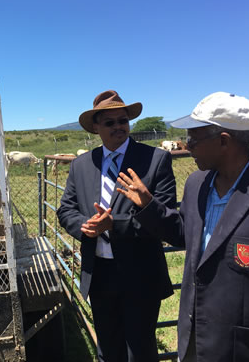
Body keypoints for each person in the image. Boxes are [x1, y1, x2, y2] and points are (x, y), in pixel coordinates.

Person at [117, 92, 249, 361]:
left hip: (246, 348)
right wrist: (149, 206)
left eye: (194, 138)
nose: (188, 145)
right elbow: (185, 234)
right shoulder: (197, 184)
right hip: (195, 338)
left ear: (224, 141)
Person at [57, 90, 177, 362]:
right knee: (108, 348)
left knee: (140, 350)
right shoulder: (81, 165)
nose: (118, 127)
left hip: (140, 273)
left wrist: (113, 225)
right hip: (99, 273)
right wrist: (85, 226)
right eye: (109, 123)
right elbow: (66, 209)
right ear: (96, 127)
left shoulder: (155, 160)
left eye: (123, 120)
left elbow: (164, 218)